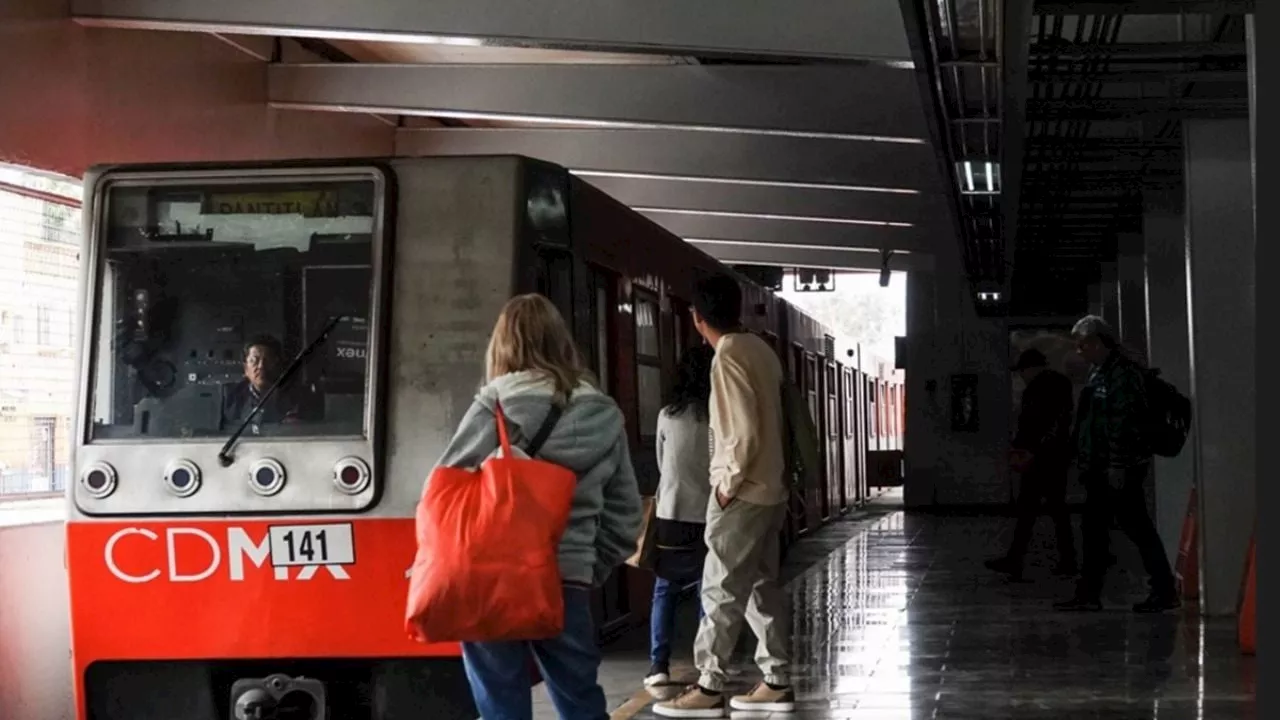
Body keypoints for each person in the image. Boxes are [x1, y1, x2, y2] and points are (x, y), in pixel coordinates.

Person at [432, 294, 643, 720]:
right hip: (568, 580)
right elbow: (626, 516)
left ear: (502, 345)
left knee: (501, 703)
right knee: (580, 699)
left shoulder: (494, 406)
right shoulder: (605, 414)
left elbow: (445, 490)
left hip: (494, 576)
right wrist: (586, 566)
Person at [655, 274, 793, 718]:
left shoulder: (728, 354)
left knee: (720, 587)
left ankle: (709, 686)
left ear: (697, 318)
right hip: (771, 489)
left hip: (744, 490)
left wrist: (726, 485)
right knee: (760, 586)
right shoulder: (761, 349)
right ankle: (775, 679)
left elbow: (742, 431)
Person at [1055, 315, 1177, 613]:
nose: (1080, 352)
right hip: (1103, 466)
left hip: (1117, 466)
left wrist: (1118, 465)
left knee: (1134, 526)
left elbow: (1122, 423)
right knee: (1098, 528)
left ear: (1098, 343)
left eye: (1083, 345)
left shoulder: (1121, 374)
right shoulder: (1102, 372)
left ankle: (1161, 589)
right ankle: (1091, 592)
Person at [645, 344, 716, 689]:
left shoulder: (666, 416)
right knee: (709, 590)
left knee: (664, 589)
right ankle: (707, 666)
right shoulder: (718, 416)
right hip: (708, 515)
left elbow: (663, 465)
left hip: (670, 513)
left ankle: (658, 665)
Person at [985, 348, 1078, 581]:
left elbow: (1032, 423)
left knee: (1028, 509)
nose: (1021, 376)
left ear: (1032, 368)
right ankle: (1067, 560)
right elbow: (1061, 421)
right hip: (1055, 456)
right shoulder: (1061, 384)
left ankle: (1016, 560)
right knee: (1057, 509)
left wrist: (1024, 449)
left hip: (1039, 458)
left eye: (1022, 371)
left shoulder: (1037, 388)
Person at [221, 334, 298, 430]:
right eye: (254, 360)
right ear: (245, 368)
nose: (261, 366)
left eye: (268, 360)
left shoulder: (297, 397)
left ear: (279, 365)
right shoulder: (230, 398)